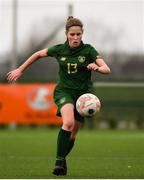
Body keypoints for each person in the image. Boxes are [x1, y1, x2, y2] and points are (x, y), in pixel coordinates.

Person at [7, 16, 111, 176]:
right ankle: (58, 162)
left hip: (82, 96)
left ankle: (62, 159)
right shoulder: (59, 50)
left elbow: (106, 69)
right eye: (72, 34)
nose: (75, 38)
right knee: (68, 123)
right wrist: (21, 69)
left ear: (82, 33)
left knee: (73, 133)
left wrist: (96, 68)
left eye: (78, 34)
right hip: (64, 91)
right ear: (66, 34)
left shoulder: (89, 50)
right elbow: (38, 54)